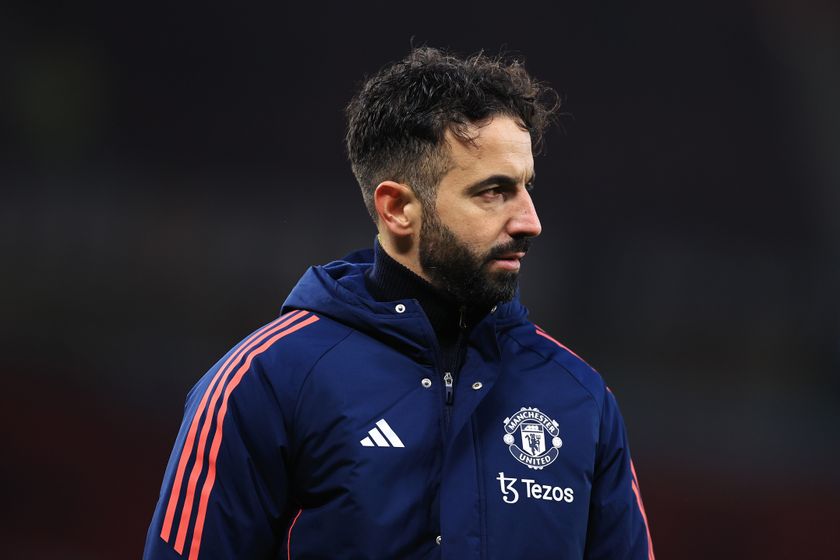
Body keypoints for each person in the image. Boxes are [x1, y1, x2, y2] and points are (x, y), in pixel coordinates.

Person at [144, 47, 655, 560]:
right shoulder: (268, 381)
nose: (530, 221)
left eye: (526, 187)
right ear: (398, 209)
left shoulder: (580, 398)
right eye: (493, 192)